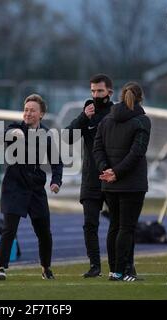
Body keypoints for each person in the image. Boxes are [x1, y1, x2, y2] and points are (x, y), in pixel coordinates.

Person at [0, 94, 63, 281]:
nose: (28, 113)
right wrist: (11, 135)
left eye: (32, 110)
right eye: (26, 110)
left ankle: (46, 268)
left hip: (35, 188)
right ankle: (0, 268)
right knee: (9, 229)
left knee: (44, 232)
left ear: (41, 114)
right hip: (14, 185)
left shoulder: (47, 135)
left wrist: (56, 181)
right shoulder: (15, 129)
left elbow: (57, 163)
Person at [93, 82, 151, 281]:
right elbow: (137, 153)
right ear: (140, 98)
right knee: (127, 228)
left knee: (114, 227)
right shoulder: (142, 121)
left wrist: (106, 170)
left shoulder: (106, 120)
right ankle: (122, 271)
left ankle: (113, 270)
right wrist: (116, 172)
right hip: (131, 184)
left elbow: (97, 149)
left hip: (109, 183)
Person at [65, 73, 114, 278]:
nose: (95, 95)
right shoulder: (87, 114)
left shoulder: (115, 113)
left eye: (100, 91)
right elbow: (67, 137)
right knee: (90, 223)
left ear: (109, 92)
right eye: (93, 91)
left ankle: (119, 265)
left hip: (113, 177)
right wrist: (84, 117)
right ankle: (95, 265)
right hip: (91, 178)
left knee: (119, 224)